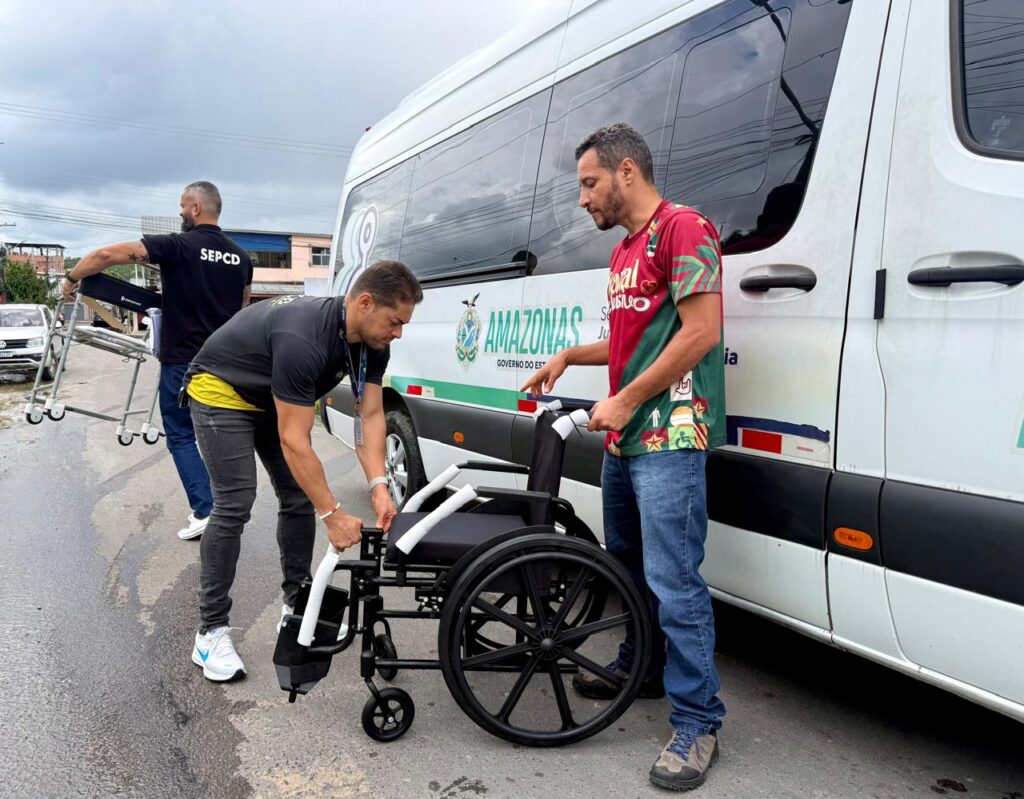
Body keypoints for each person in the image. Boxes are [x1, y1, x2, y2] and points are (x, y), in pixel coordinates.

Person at [520, 123, 726, 792]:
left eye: (589, 183)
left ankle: (698, 721)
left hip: (670, 435)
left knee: (674, 582)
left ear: (627, 171)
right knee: (629, 568)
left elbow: (701, 332)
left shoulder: (684, 229)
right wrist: (566, 357)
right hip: (627, 439)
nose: (583, 199)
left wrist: (629, 399)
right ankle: (639, 667)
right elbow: (624, 340)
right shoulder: (624, 253)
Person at [183, 260, 422, 681]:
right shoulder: (305, 336)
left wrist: (379, 485)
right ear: (365, 303)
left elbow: (369, 416)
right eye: (395, 321)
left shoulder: (373, 344)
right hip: (222, 389)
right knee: (235, 503)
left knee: (296, 497)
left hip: (269, 396)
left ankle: (297, 607)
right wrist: (332, 515)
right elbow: (296, 439)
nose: (399, 332)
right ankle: (210, 632)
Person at [63, 181, 252, 541]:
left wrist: (71, 279)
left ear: (195, 208)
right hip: (228, 363)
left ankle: (206, 510)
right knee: (217, 437)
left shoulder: (177, 245)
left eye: (182, 206)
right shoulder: (241, 258)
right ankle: (227, 509)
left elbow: (104, 257)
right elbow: (242, 309)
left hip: (184, 362)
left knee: (181, 434)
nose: (180, 212)